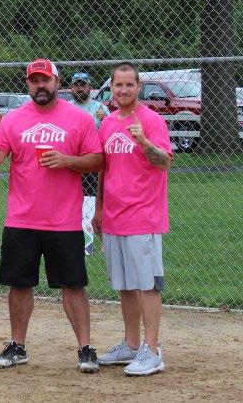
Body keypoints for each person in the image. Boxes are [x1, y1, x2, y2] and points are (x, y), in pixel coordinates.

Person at [0, 58, 104, 373]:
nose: (40, 85)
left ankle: (86, 348)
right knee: (19, 284)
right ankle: (17, 345)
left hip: (64, 220)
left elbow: (97, 160)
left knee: (73, 285)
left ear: (57, 83)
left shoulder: (79, 119)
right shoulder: (13, 120)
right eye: (34, 80)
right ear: (28, 84)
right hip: (21, 218)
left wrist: (67, 160)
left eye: (45, 80)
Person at [93, 62, 172, 376]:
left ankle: (152, 351)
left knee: (147, 285)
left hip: (143, 217)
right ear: (111, 89)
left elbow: (164, 162)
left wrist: (144, 142)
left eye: (129, 84)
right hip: (114, 217)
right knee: (125, 285)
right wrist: (99, 209)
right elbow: (104, 170)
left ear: (139, 87)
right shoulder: (108, 123)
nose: (123, 90)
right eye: (118, 85)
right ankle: (130, 344)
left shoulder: (151, 120)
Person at [70, 72, 110, 255]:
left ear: (90, 87)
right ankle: (74, 239)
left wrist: (104, 120)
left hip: (93, 163)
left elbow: (110, 133)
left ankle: (102, 241)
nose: (80, 88)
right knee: (70, 203)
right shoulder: (65, 108)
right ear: (71, 88)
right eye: (76, 85)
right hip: (71, 163)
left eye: (83, 84)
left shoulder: (100, 109)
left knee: (96, 203)